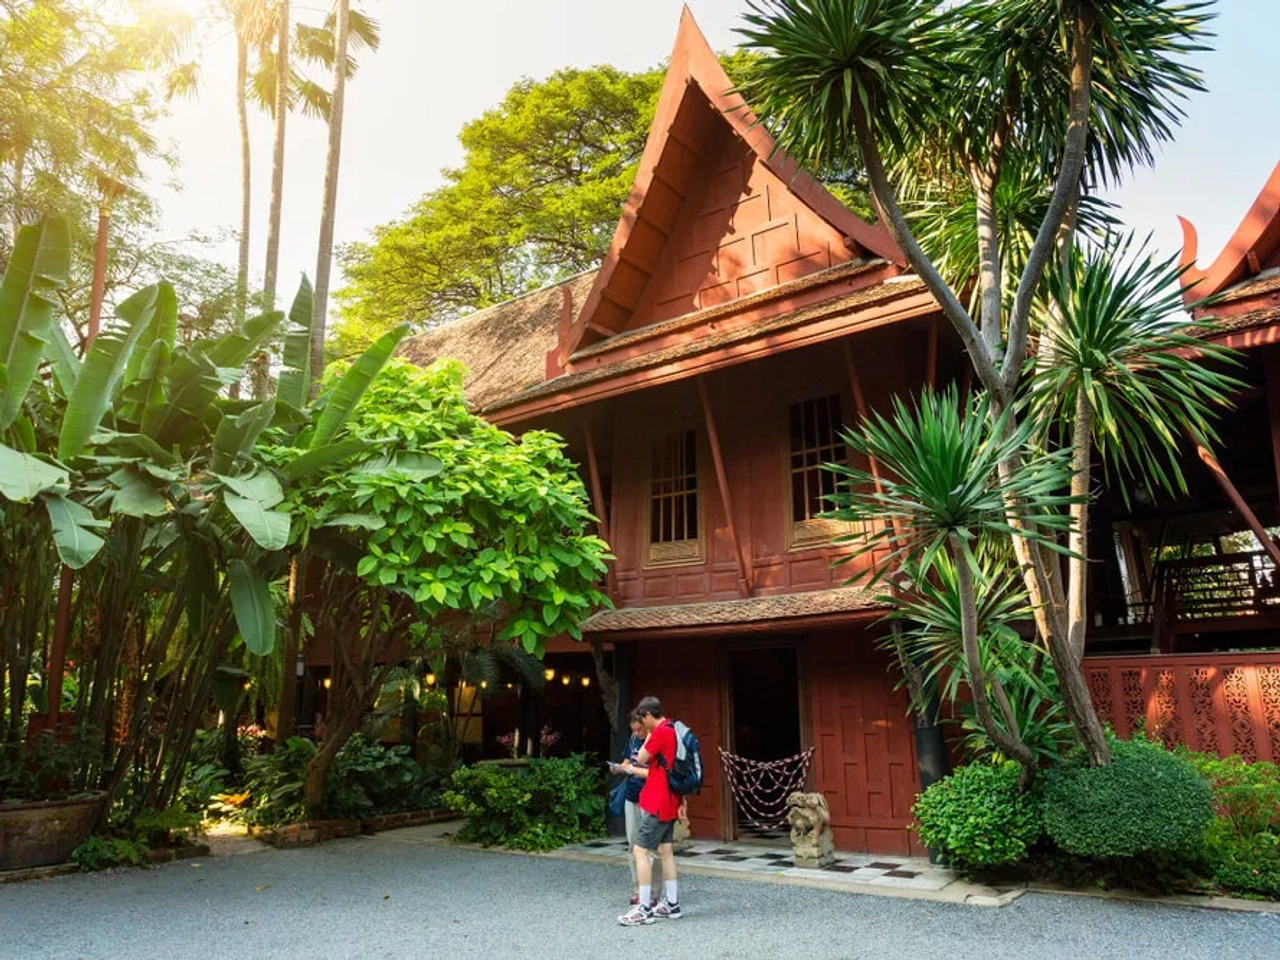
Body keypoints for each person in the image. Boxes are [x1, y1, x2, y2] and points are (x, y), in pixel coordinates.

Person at [617, 696, 686, 925]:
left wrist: (648, 735)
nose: (642, 726)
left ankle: (644, 907)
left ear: (648, 715)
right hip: (668, 798)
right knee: (665, 850)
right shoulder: (672, 730)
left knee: (640, 851)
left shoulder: (660, 732)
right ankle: (672, 904)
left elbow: (642, 757)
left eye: (643, 720)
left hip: (657, 800)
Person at [618, 711, 658, 906]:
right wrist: (619, 767)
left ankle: (654, 891)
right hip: (631, 794)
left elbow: (657, 774)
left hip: (649, 795)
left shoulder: (655, 740)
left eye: (639, 729)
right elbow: (627, 760)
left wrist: (633, 769)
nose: (637, 733)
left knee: (650, 846)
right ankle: (637, 887)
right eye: (634, 730)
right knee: (633, 843)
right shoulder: (633, 739)